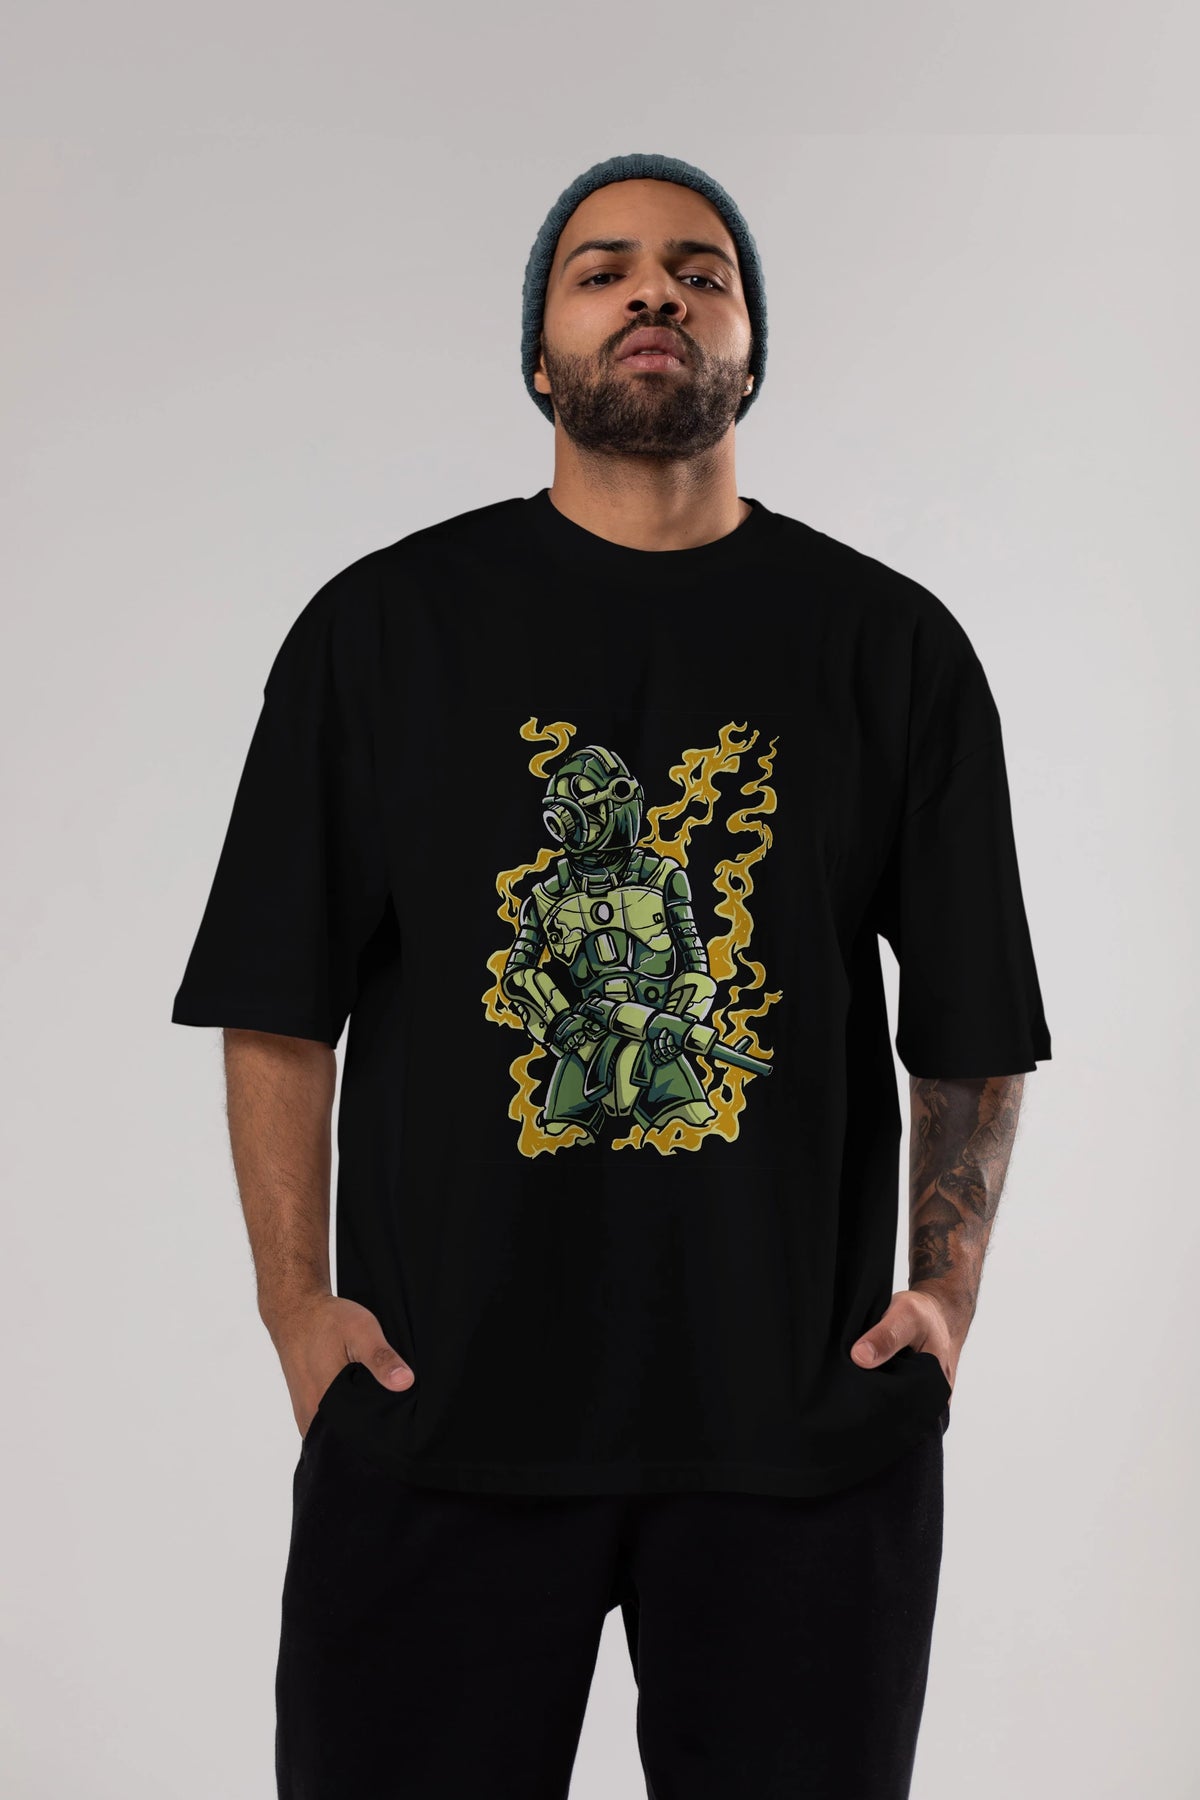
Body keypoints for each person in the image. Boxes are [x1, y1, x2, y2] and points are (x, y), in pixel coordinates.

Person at [171, 152, 1052, 1799]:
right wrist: (296, 1312)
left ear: (750, 347)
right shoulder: (385, 630)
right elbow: (276, 998)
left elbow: (973, 1022)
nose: (656, 290)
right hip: (435, 1421)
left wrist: (948, 1300)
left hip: (804, 1446)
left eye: (701, 270)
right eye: (604, 268)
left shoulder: (890, 644)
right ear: (539, 354)